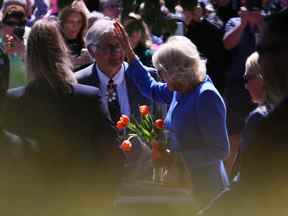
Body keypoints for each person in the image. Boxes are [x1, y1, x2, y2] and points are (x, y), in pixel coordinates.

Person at [0, 19, 125, 215]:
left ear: (29, 56)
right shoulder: (88, 97)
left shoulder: (13, 101)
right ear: (61, 50)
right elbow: (112, 155)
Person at [114, 22, 230, 205]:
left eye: (161, 72)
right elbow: (150, 87)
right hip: (182, 184)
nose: (160, 77)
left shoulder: (205, 95)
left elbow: (220, 150)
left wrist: (178, 158)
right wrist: (129, 52)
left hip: (205, 187)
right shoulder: (180, 88)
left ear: (176, 71)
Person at [75, 18, 159, 124]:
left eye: (119, 45)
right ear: (92, 51)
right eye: (108, 47)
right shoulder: (78, 83)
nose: (116, 52)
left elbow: (161, 126)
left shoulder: (148, 77)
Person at [58, 5, 92, 71]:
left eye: (79, 22)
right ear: (63, 23)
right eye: (71, 22)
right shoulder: (55, 43)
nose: (75, 26)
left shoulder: (87, 43)